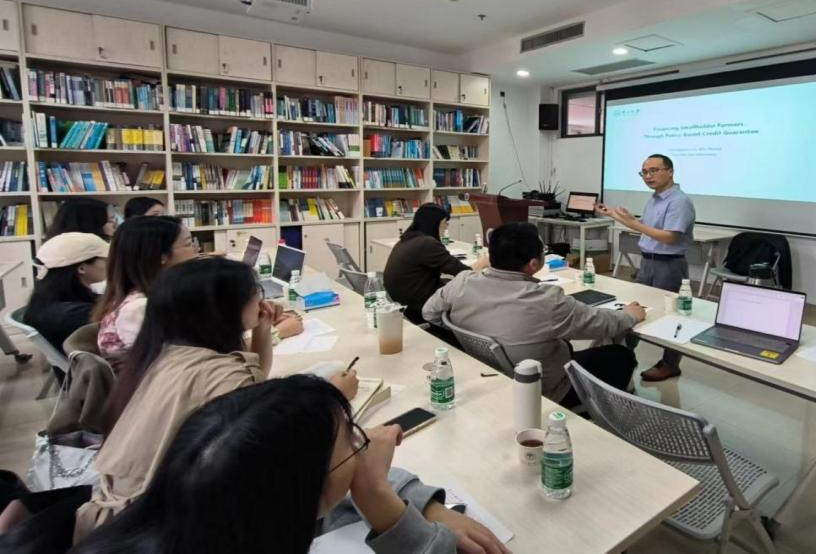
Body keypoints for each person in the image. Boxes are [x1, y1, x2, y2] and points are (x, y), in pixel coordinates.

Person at [74, 258, 360, 539]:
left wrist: (261, 328)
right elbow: (266, 456)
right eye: (256, 292)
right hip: (168, 528)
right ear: (226, 308)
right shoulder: (222, 377)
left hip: (124, 520)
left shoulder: (171, 354)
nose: (262, 301)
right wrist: (332, 400)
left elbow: (251, 385)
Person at [72, 376, 508, 554]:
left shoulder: (211, 500)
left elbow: (331, 493)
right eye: (351, 441)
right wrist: (375, 492)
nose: (363, 444)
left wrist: (413, 501)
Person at [423, 222, 644, 408]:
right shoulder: (547, 300)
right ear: (534, 264)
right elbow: (602, 324)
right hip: (544, 389)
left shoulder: (462, 282)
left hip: (489, 374)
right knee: (620, 356)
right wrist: (629, 315)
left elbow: (429, 312)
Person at [597, 153, 696, 382]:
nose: (648, 176)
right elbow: (647, 229)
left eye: (654, 170)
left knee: (670, 314)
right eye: (644, 172)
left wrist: (634, 223)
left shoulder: (679, 201)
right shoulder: (654, 199)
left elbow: (670, 237)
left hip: (669, 264)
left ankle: (670, 364)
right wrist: (617, 216)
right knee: (636, 307)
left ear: (670, 171)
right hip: (648, 262)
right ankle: (621, 355)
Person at [92, 216, 199, 367]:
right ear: (162, 256)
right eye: (188, 244)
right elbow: (178, 361)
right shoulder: (139, 308)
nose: (196, 250)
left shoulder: (155, 296)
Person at [383, 203, 489, 326]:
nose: (446, 227)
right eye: (445, 223)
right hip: (419, 307)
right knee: (473, 291)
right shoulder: (427, 244)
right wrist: (483, 262)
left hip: (403, 300)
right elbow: (464, 273)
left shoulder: (408, 239)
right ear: (435, 224)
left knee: (450, 283)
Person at [23, 233, 108, 355]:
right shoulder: (74, 314)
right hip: (95, 364)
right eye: (105, 260)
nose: (111, 264)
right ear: (82, 268)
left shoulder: (49, 298)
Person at [44, 198, 117, 242]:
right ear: (92, 224)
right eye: (110, 220)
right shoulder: (95, 248)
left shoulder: (52, 243)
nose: (116, 224)